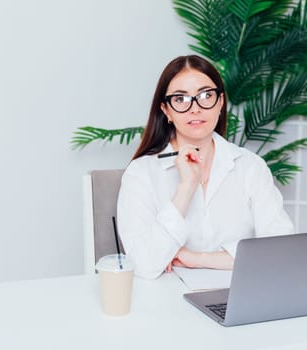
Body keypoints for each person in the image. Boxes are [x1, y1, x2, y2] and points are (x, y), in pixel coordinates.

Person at [117, 55, 294, 279]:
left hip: (241, 296)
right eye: (180, 99)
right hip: (167, 303)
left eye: (205, 96)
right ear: (166, 110)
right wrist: (186, 188)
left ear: (220, 102)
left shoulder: (250, 167)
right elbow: (144, 265)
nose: (195, 108)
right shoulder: (141, 173)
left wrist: (196, 259)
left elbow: (281, 250)